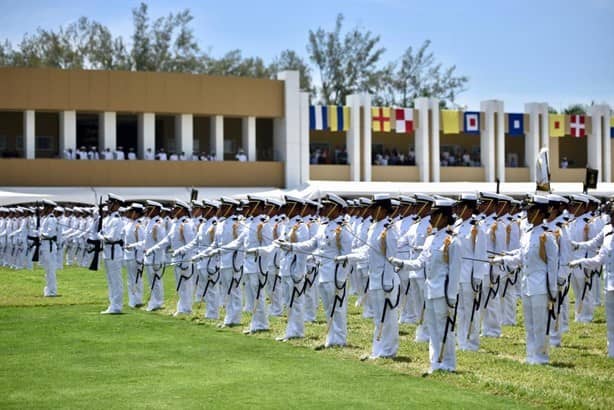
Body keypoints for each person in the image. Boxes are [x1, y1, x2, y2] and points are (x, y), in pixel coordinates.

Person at [390, 198, 461, 373]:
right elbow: (420, 262)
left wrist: (451, 297)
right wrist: (401, 263)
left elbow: (454, 271)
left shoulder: (452, 241)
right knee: (433, 328)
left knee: (445, 329)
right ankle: (435, 362)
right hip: (430, 290)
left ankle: (448, 363)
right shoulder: (431, 240)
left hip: (443, 291)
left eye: (434, 214)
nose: (430, 219)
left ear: (444, 217)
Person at [493, 195, 558, 365]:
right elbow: (521, 257)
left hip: (541, 286)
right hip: (527, 284)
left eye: (530, 211)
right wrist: (502, 259)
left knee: (540, 323)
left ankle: (541, 356)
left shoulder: (547, 236)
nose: (527, 214)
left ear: (538, 212)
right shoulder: (527, 234)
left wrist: (553, 291)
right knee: (529, 324)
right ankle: (531, 355)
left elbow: (552, 265)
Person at [286, 194, 353, 348]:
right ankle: (332, 338)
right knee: (329, 307)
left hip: (335, 275)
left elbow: (347, 255)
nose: (325, 209)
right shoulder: (323, 226)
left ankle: (340, 339)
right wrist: (290, 246)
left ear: (337, 208)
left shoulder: (343, 228)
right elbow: (311, 244)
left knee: (338, 308)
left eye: (329, 206)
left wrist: (341, 278)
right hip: (323, 273)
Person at [569, 200, 614, 358]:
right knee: (611, 321)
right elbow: (596, 249)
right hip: (609, 283)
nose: (610, 218)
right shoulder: (607, 229)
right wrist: (578, 250)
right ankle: (612, 351)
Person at [145, 200, 196, 316]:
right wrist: (154, 248)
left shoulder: (185, 224)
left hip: (184, 259)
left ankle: (186, 309)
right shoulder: (176, 224)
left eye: (176, 209)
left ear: (182, 210)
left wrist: (186, 258)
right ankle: (182, 307)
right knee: (180, 284)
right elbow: (167, 240)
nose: (173, 211)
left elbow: (191, 243)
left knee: (185, 285)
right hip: (177, 259)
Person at [98, 194, 126, 314]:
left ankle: (117, 305)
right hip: (108, 252)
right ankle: (112, 304)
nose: (108, 205)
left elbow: (112, 237)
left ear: (116, 205)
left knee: (116, 280)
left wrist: (100, 236)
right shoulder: (108, 219)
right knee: (110, 280)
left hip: (114, 252)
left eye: (110, 203)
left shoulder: (117, 220)